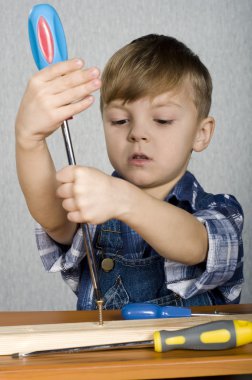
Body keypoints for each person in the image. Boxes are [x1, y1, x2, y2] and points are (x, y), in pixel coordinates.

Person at [15, 34, 244, 310]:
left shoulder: (221, 211)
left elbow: (195, 244)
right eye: (120, 120)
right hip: (106, 354)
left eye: (162, 120)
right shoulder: (95, 207)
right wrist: (29, 140)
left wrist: (123, 199)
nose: (137, 133)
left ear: (201, 133)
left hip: (190, 353)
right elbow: (53, 219)